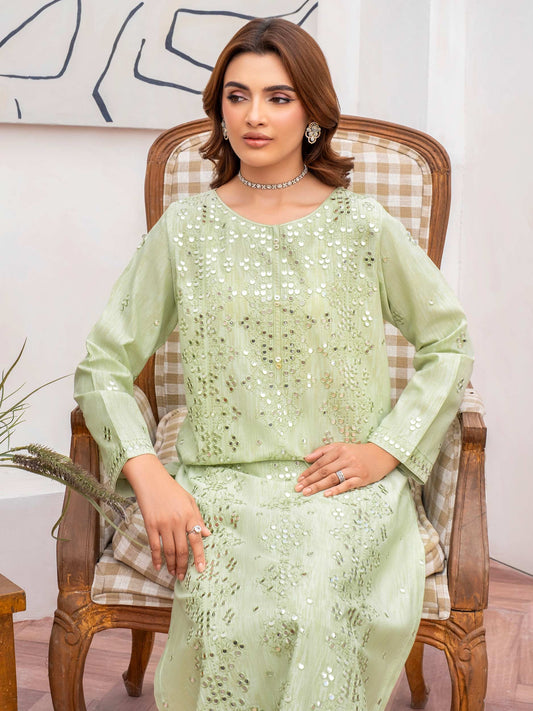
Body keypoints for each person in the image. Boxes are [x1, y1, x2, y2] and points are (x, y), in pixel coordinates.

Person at [74, 17, 474, 711]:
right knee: (242, 608)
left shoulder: (363, 226)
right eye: (237, 96)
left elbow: (449, 342)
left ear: (312, 112)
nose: (253, 116)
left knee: (316, 598)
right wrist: (150, 476)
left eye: (277, 97)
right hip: (220, 483)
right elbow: (102, 365)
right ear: (220, 110)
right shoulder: (186, 231)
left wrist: (386, 449)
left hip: (339, 487)